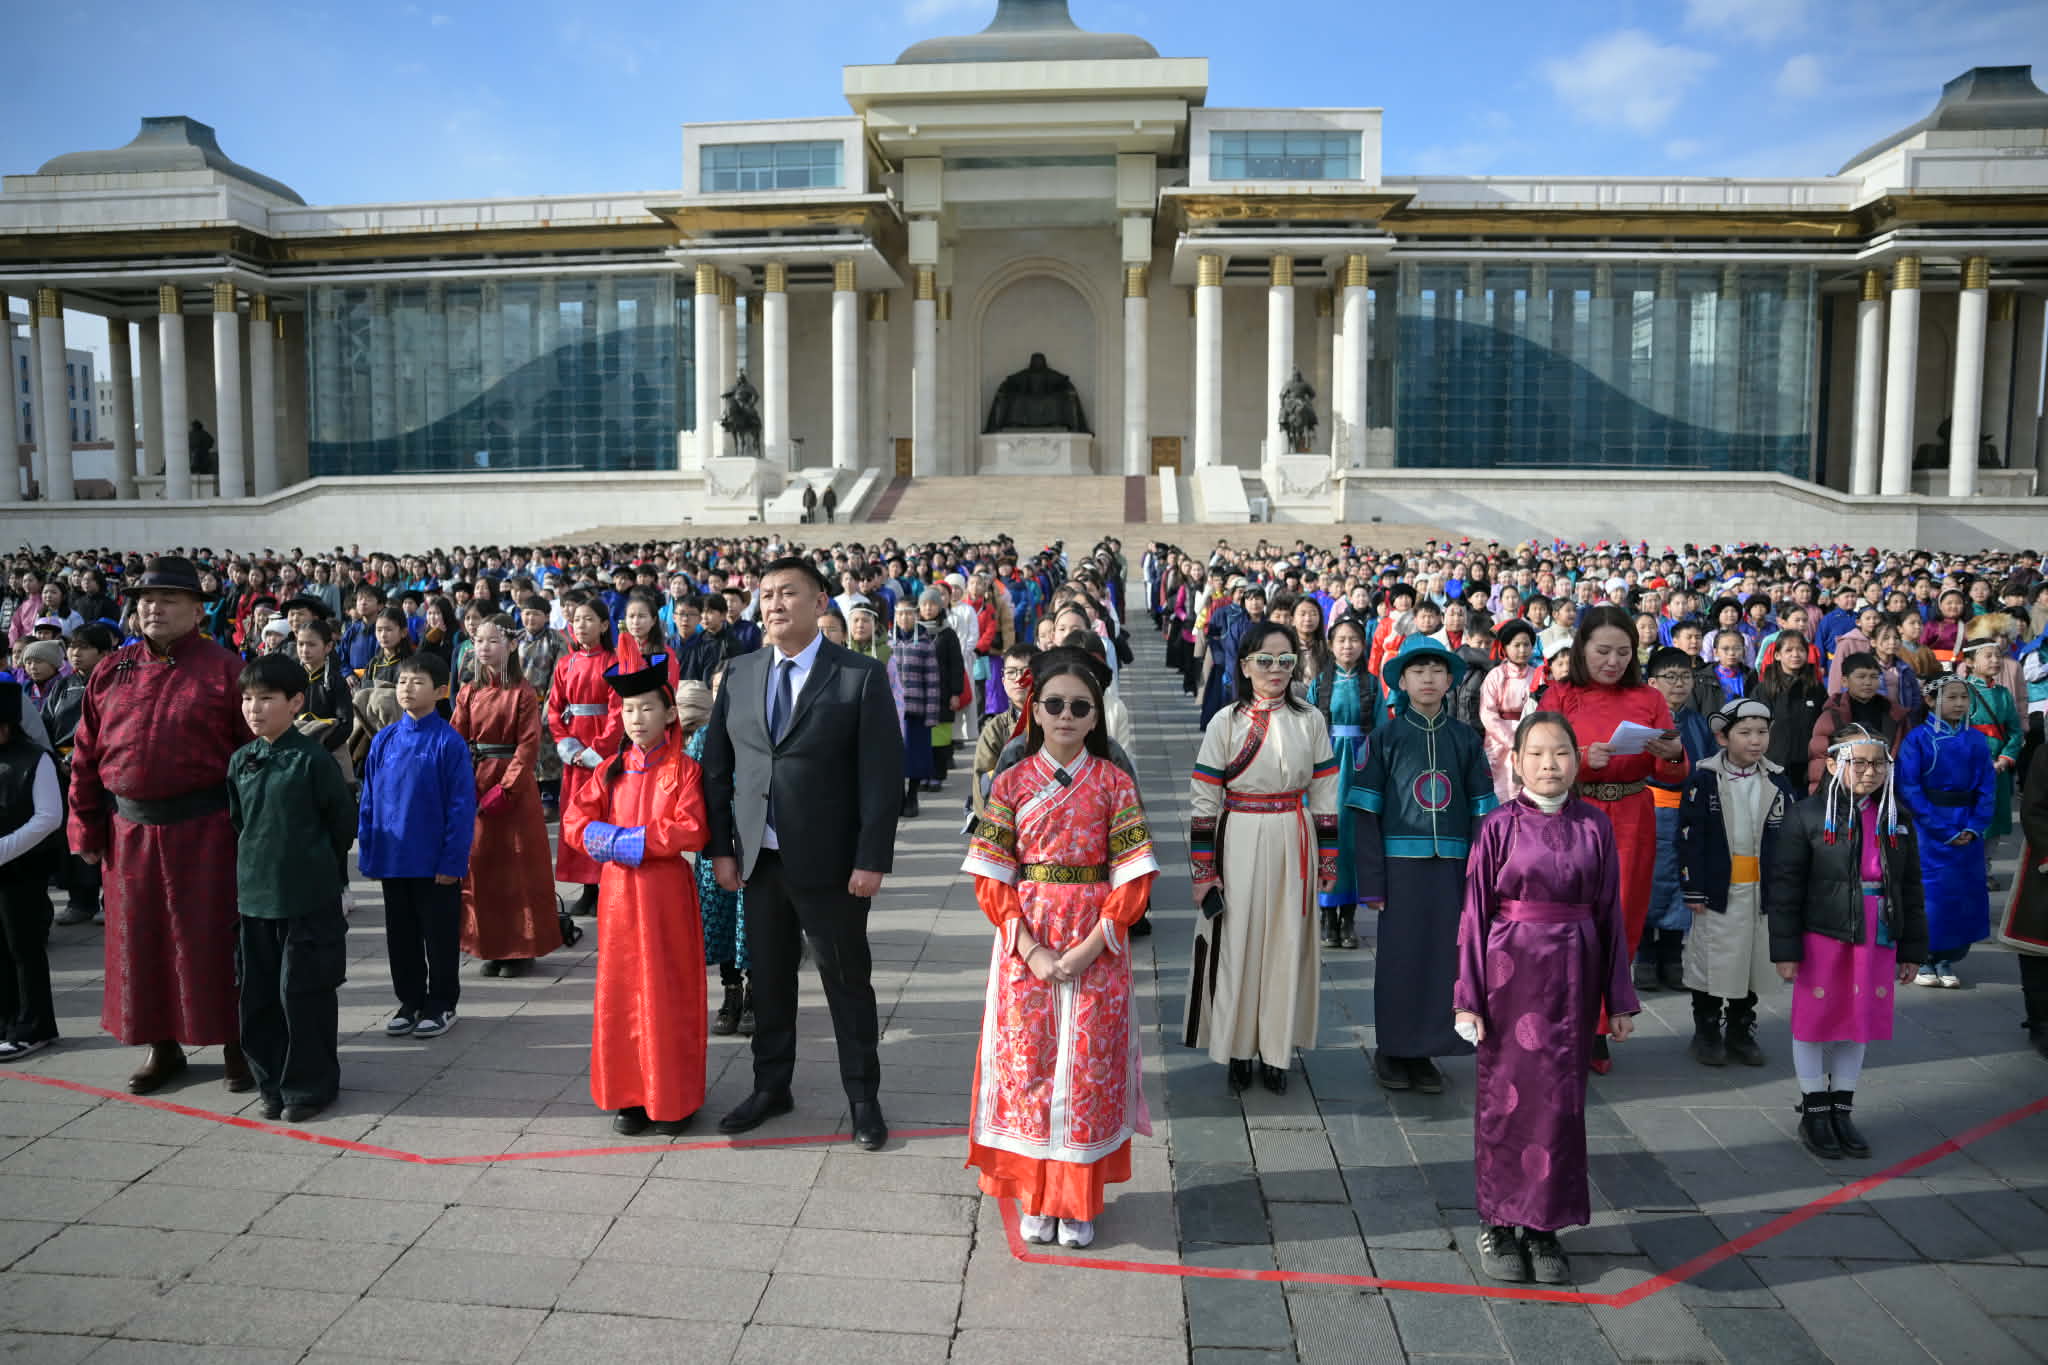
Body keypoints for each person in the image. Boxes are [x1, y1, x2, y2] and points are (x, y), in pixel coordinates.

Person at [699, 556, 902, 1149]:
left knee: (846, 981)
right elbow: (717, 771)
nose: (774, 603)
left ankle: (862, 1096)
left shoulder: (857, 676)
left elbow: (880, 778)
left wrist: (871, 858)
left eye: (789, 592)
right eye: (765, 594)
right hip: (759, 861)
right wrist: (722, 851)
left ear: (820, 603)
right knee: (768, 979)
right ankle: (771, 1086)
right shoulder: (739, 672)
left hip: (834, 867)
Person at [962, 647, 1159, 1250]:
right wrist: (1029, 946)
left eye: (1080, 706)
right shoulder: (1012, 782)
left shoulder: (1115, 783)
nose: (1067, 716)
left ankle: (1077, 1200)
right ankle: (1035, 1195)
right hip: (1027, 934)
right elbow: (992, 872)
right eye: (1054, 705)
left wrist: (1094, 944)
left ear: (1096, 715)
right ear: (1035, 711)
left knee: (1087, 1069)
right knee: (1029, 1067)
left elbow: (1135, 875)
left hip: (1096, 935)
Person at [1456, 711, 1637, 1286]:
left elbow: (1611, 913)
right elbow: (1472, 918)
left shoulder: (1594, 826)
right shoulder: (1498, 827)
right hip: (1510, 975)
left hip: (1575, 976)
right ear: (1515, 761)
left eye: (1560, 753)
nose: (1548, 764)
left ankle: (1544, 1225)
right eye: (1535, 753)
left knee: (1562, 1104)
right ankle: (1499, 1219)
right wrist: (1468, 998)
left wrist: (1620, 998)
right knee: (1505, 1098)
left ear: (1577, 761)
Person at [65, 557, 254, 1094]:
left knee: (214, 943)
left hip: (208, 832)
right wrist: (85, 826)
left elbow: (250, 757)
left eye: (168, 599)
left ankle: (236, 1043)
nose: (153, 608)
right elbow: (85, 753)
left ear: (198, 610)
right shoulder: (112, 668)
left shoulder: (225, 669)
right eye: (146, 600)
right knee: (141, 945)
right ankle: (161, 1045)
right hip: (130, 832)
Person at [1183, 622, 1337, 1094]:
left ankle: (1277, 1050)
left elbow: (1325, 791)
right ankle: (1235, 1047)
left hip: (1294, 833)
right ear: (1245, 665)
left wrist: (1328, 859)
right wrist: (1203, 871)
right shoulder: (1225, 722)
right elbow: (1205, 799)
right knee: (1237, 945)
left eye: (1285, 660)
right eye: (1265, 660)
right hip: (1240, 834)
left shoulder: (1310, 719)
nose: (1275, 669)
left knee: (1285, 945)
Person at [565, 652, 711, 1135]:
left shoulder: (684, 769)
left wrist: (632, 841)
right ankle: (630, 1095)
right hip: (619, 898)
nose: (637, 719)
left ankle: (675, 1096)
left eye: (647, 709)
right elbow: (574, 822)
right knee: (623, 991)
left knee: (670, 991)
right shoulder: (608, 769)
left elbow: (691, 827)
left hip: (666, 894)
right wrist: (604, 840)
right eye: (628, 711)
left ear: (669, 712)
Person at [1766, 724, 1927, 1160]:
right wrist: (1785, 950)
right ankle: (1814, 1109)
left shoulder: (1897, 816)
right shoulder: (1807, 815)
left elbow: (1910, 888)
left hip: (1877, 933)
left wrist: (1912, 949)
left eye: (1878, 763)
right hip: (1823, 932)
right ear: (1834, 764)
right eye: (1859, 762)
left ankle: (1842, 1109)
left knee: (1859, 1022)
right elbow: (1785, 886)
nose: (1869, 772)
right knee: (1815, 1022)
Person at [1543, 604, 1690, 1073]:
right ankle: (1560, 1020)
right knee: (1565, 919)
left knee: (1620, 919)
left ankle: (1598, 1025)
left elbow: (1674, 771)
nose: (1613, 661)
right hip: (1571, 812)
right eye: (1602, 651)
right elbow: (1534, 759)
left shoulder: (1649, 697)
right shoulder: (1560, 695)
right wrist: (1583, 759)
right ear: (1581, 648)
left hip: (1631, 814)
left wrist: (1672, 753)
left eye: (1624, 652)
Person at [1350, 635, 1497, 1092]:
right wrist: (1371, 881)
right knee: (1400, 960)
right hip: (1399, 870)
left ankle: (1427, 1051)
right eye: (1418, 671)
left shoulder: (1465, 739)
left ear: (1450, 679)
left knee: (1444, 960)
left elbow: (1483, 812)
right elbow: (1364, 813)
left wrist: (1482, 871)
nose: (1428, 679)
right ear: (1403, 681)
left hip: (1453, 869)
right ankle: (1393, 1049)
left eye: (1437, 670)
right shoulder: (1385, 738)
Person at [227, 654, 355, 1122]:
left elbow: (341, 825)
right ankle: (272, 1082)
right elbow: (239, 822)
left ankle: (310, 1086)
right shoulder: (242, 760)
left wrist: (316, 869)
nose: (253, 708)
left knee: (302, 993)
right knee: (258, 995)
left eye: (266, 699)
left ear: (296, 701)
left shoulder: (313, 760)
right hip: (255, 899)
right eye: (247, 698)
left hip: (306, 897)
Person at [357, 652, 476, 1040]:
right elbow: (370, 798)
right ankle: (409, 1000)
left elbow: (461, 808)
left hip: (434, 860)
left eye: (418, 682)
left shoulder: (449, 742)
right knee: (401, 934)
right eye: (404, 680)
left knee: (438, 935)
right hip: (394, 857)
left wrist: (453, 860)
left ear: (442, 691)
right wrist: (370, 849)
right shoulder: (385, 739)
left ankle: (442, 1003)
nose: (407, 688)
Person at [1676, 698, 1800, 1068]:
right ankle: (1707, 1030)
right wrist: (1693, 887)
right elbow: (1689, 836)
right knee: (1713, 960)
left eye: (1761, 732)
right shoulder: (1704, 780)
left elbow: (1791, 836)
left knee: (1752, 962)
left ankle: (1741, 1030)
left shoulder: (1777, 780)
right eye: (1744, 733)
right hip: (1718, 889)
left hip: (1762, 890)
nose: (1755, 740)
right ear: (1722, 737)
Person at [453, 614, 563, 978]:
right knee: (482, 866)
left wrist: (508, 787)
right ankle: (491, 945)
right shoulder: (467, 691)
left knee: (518, 868)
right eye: (479, 641)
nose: (484, 648)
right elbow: (456, 739)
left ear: (511, 645)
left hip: (512, 788)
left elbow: (529, 745)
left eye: (492, 641)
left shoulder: (523, 692)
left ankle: (521, 948)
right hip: (476, 780)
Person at [1895, 674, 1996, 989]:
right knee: (1929, 894)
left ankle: (1948, 957)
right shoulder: (1917, 740)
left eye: (1963, 698)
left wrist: (1975, 826)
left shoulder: (1977, 740)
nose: (1958, 704)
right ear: (1930, 700)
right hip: (1928, 830)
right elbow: (1909, 788)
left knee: (1963, 894)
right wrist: (1943, 828)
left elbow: (1987, 788)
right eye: (1951, 697)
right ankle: (1923, 955)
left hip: (1967, 824)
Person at [1307, 617, 1382, 950]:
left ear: (1363, 645)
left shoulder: (1373, 684)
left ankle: (1348, 917)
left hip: (1360, 763)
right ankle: (1327, 916)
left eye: (1354, 639)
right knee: (1327, 836)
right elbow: (1308, 727)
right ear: (1331, 644)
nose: (1347, 645)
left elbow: (1381, 731)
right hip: (1327, 765)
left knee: (1353, 842)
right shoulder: (1320, 683)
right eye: (1341, 640)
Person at [0, 682, 65, 1060]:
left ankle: (33, 1024)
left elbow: (48, 817)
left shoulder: (34, 759)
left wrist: (4, 850)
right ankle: (7, 1018)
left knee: (23, 948)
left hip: (23, 870)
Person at [549, 599, 621, 918]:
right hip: (574, 750)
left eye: (589, 619)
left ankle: (606, 883)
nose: (581, 625)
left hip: (601, 750)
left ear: (604, 625)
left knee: (604, 814)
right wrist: (569, 746)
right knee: (577, 815)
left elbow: (618, 712)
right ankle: (587, 887)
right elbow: (554, 709)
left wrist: (598, 750)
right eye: (577, 620)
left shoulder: (614, 662)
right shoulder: (565, 664)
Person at [2000, 741, 2048, 1058]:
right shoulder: (2046, 753)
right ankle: (2041, 1022)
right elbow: (2034, 809)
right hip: (2045, 869)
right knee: (2037, 947)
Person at [1805, 653, 1910, 795]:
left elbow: (1905, 759)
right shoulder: (1832, 717)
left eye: (1874, 677)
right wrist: (1821, 795)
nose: (1868, 682)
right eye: (1861, 676)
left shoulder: (1894, 714)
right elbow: (1820, 760)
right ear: (1844, 681)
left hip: (1886, 791)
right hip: (1843, 792)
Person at [1478, 620, 1541, 805]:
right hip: (1499, 741)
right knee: (1501, 788)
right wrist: (1512, 740)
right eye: (1517, 645)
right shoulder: (1496, 675)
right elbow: (1488, 714)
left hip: (1531, 737)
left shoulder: (1538, 674)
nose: (1522, 650)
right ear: (1505, 648)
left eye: (1527, 644)